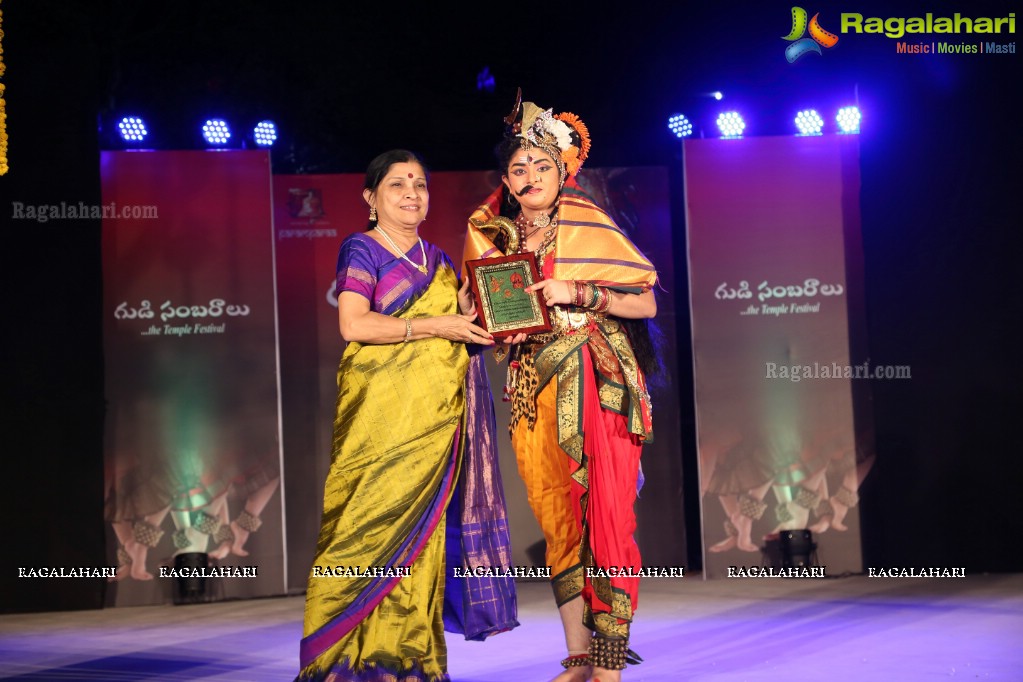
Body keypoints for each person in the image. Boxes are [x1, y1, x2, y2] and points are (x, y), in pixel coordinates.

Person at [298, 149, 518, 682]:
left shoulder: (441, 261)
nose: (412, 194)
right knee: (361, 530)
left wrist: (477, 313)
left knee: (422, 543)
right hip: (380, 422)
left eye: (420, 184)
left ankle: (408, 663)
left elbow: (455, 333)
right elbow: (355, 325)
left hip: (433, 423)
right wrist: (438, 325)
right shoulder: (362, 248)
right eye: (398, 185)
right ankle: (341, 664)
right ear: (371, 198)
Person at [463, 92, 659, 682]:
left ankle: (608, 665)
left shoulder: (587, 223)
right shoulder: (494, 240)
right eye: (518, 170)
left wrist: (579, 293)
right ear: (506, 179)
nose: (529, 178)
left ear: (562, 170)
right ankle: (577, 657)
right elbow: (486, 316)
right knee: (557, 521)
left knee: (607, 515)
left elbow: (645, 298)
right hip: (530, 387)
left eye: (540, 166)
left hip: (594, 377)